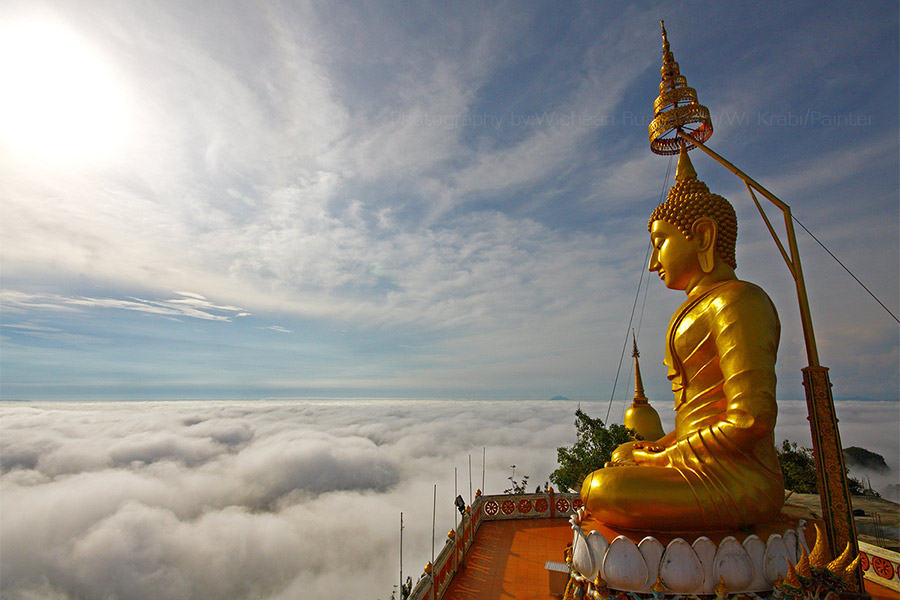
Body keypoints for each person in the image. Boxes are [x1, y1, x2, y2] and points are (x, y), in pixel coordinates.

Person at [580, 147, 784, 531]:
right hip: (697, 463)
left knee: (602, 488)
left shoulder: (738, 301)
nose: (654, 261)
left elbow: (750, 419)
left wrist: (660, 460)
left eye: (660, 242)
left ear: (703, 235)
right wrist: (656, 447)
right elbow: (695, 421)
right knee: (620, 456)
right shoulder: (700, 306)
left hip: (740, 479)